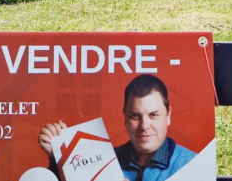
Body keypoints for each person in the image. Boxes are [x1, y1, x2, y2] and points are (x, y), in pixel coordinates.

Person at [38, 75, 196, 181]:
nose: (144, 126)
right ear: (125, 117)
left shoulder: (193, 164)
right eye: (135, 116)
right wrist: (58, 158)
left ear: (168, 115)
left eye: (153, 115)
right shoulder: (102, 160)